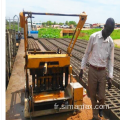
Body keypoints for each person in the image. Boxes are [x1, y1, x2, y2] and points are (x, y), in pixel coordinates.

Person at [79, 18, 115, 120]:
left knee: (102, 97)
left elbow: (111, 61)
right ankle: (95, 116)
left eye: (111, 31)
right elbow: (86, 54)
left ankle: (100, 107)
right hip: (93, 70)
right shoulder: (93, 37)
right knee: (93, 95)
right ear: (104, 27)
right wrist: (82, 68)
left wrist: (110, 77)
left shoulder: (110, 42)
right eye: (108, 30)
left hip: (102, 72)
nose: (109, 33)